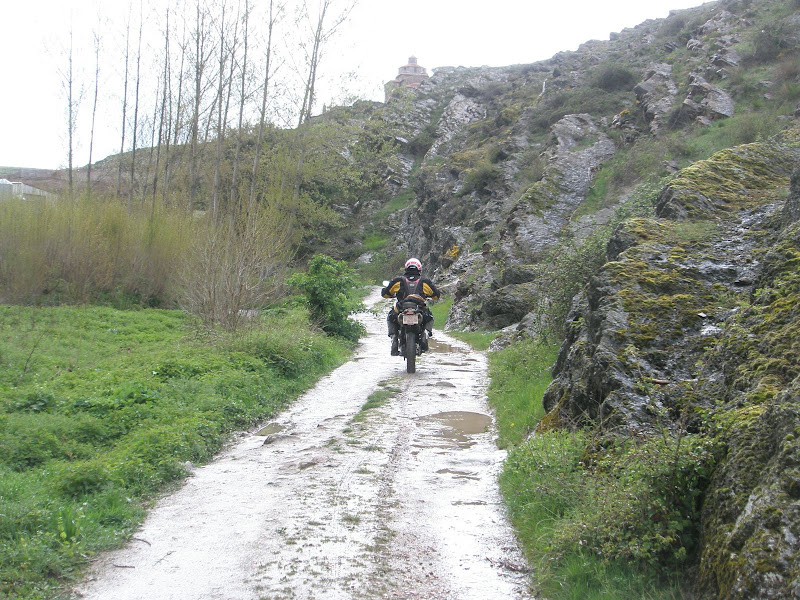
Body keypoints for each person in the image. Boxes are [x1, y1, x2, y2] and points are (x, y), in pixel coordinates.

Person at [382, 258, 441, 356]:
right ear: (419, 269)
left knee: (390, 317)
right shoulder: (424, 282)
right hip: (419, 309)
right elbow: (436, 296)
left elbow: (385, 294)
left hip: (401, 308)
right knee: (429, 318)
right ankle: (425, 334)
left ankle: (394, 339)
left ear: (406, 268)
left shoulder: (398, 281)